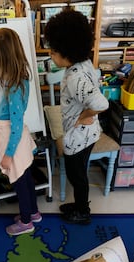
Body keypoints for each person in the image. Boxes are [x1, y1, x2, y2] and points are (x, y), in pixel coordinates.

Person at [44, 9, 109, 225]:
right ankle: (81, 205)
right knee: (80, 172)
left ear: (67, 52)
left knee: (76, 175)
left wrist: (82, 116)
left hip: (77, 136)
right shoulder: (83, 63)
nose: (50, 55)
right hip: (89, 134)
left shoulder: (75, 78)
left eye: (53, 51)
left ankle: (82, 212)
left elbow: (101, 103)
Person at [0, 27, 41, 236]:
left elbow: (16, 125)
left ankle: (26, 221)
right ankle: (33, 213)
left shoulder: (15, 87)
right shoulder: (17, 81)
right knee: (26, 178)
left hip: (14, 142)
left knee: (20, 183)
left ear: (1, 59)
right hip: (14, 139)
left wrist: (8, 154)